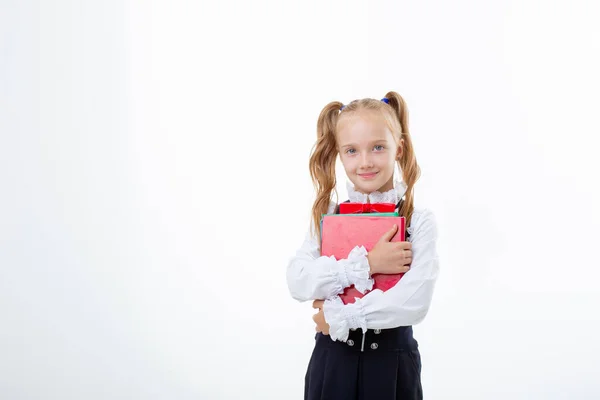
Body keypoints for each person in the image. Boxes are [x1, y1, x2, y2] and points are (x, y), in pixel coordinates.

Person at [286, 92, 440, 399]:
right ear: (340, 155)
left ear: (399, 148)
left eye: (378, 147)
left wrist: (338, 317)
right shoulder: (326, 214)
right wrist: (369, 264)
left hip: (392, 367)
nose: (365, 162)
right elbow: (298, 279)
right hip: (332, 365)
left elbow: (414, 301)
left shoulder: (417, 221)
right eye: (352, 151)